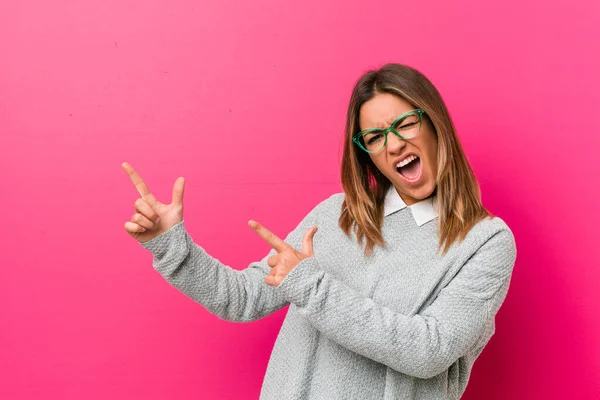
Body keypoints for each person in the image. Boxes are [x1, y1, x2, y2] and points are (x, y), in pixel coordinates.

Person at [122, 63, 517, 399]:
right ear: (367, 154)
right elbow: (242, 298)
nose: (394, 145)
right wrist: (171, 245)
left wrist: (311, 287)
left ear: (435, 124)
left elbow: (429, 351)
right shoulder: (337, 215)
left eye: (405, 124)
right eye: (376, 138)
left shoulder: (486, 242)